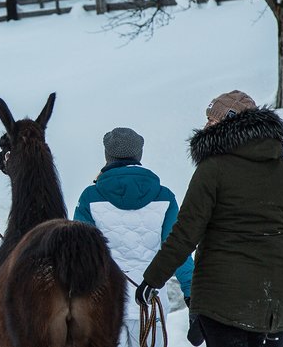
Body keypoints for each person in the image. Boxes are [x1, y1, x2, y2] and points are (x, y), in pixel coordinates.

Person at [133, 91, 283, 347]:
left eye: (212, 121)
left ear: (230, 123)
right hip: (274, 307)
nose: (206, 126)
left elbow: (186, 233)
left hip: (222, 304)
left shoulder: (212, 169)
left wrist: (152, 280)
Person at [73, 127, 194, 347]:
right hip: (150, 301)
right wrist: (190, 291)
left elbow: (80, 253)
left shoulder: (89, 197)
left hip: (106, 304)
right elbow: (177, 249)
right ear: (139, 155)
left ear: (107, 156)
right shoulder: (164, 197)